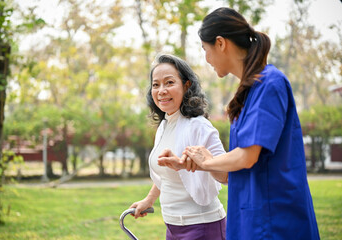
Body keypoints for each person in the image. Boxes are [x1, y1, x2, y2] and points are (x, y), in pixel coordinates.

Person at [158, 7, 320, 240]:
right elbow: (233, 170)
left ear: (221, 43)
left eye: (206, 49)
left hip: (276, 220)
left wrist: (209, 161)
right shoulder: (248, 92)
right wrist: (190, 164)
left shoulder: (270, 84)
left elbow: (247, 156)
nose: (206, 58)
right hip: (249, 218)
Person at [129, 54, 228, 240]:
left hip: (203, 226)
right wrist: (148, 200)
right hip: (173, 227)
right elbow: (165, 175)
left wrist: (198, 163)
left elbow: (226, 175)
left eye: (169, 82)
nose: (161, 90)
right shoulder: (165, 126)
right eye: (156, 85)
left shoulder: (199, 126)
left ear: (186, 85)